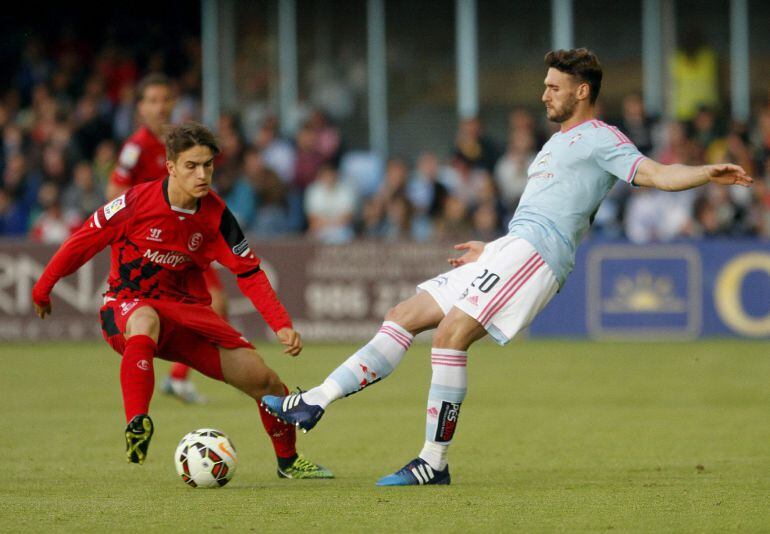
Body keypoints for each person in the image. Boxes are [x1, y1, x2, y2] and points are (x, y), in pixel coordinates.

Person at [262, 48, 752, 486]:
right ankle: (316, 400)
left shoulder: (602, 137)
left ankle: (433, 461)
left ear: (582, 92)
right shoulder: (558, 142)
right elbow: (546, 207)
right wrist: (495, 248)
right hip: (511, 248)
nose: (543, 95)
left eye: (553, 87)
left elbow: (656, 173)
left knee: (451, 335)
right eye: (544, 86)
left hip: (537, 256)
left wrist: (706, 172)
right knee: (404, 313)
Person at [32, 122, 333, 479]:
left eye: (207, 165)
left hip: (186, 314)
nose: (202, 174)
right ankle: (138, 423)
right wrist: (43, 287)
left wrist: (280, 324)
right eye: (192, 166)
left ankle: (288, 462)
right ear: (171, 166)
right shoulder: (134, 202)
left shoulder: (217, 215)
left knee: (266, 382)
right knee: (145, 320)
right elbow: (83, 240)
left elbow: (248, 271)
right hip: (126, 305)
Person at [107, 73, 213, 403]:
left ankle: (177, 377)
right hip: (154, 248)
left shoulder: (180, 142)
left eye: (165, 99)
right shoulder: (135, 148)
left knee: (215, 305)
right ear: (140, 107)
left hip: (186, 240)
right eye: (152, 100)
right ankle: (166, 379)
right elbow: (114, 192)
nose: (160, 106)